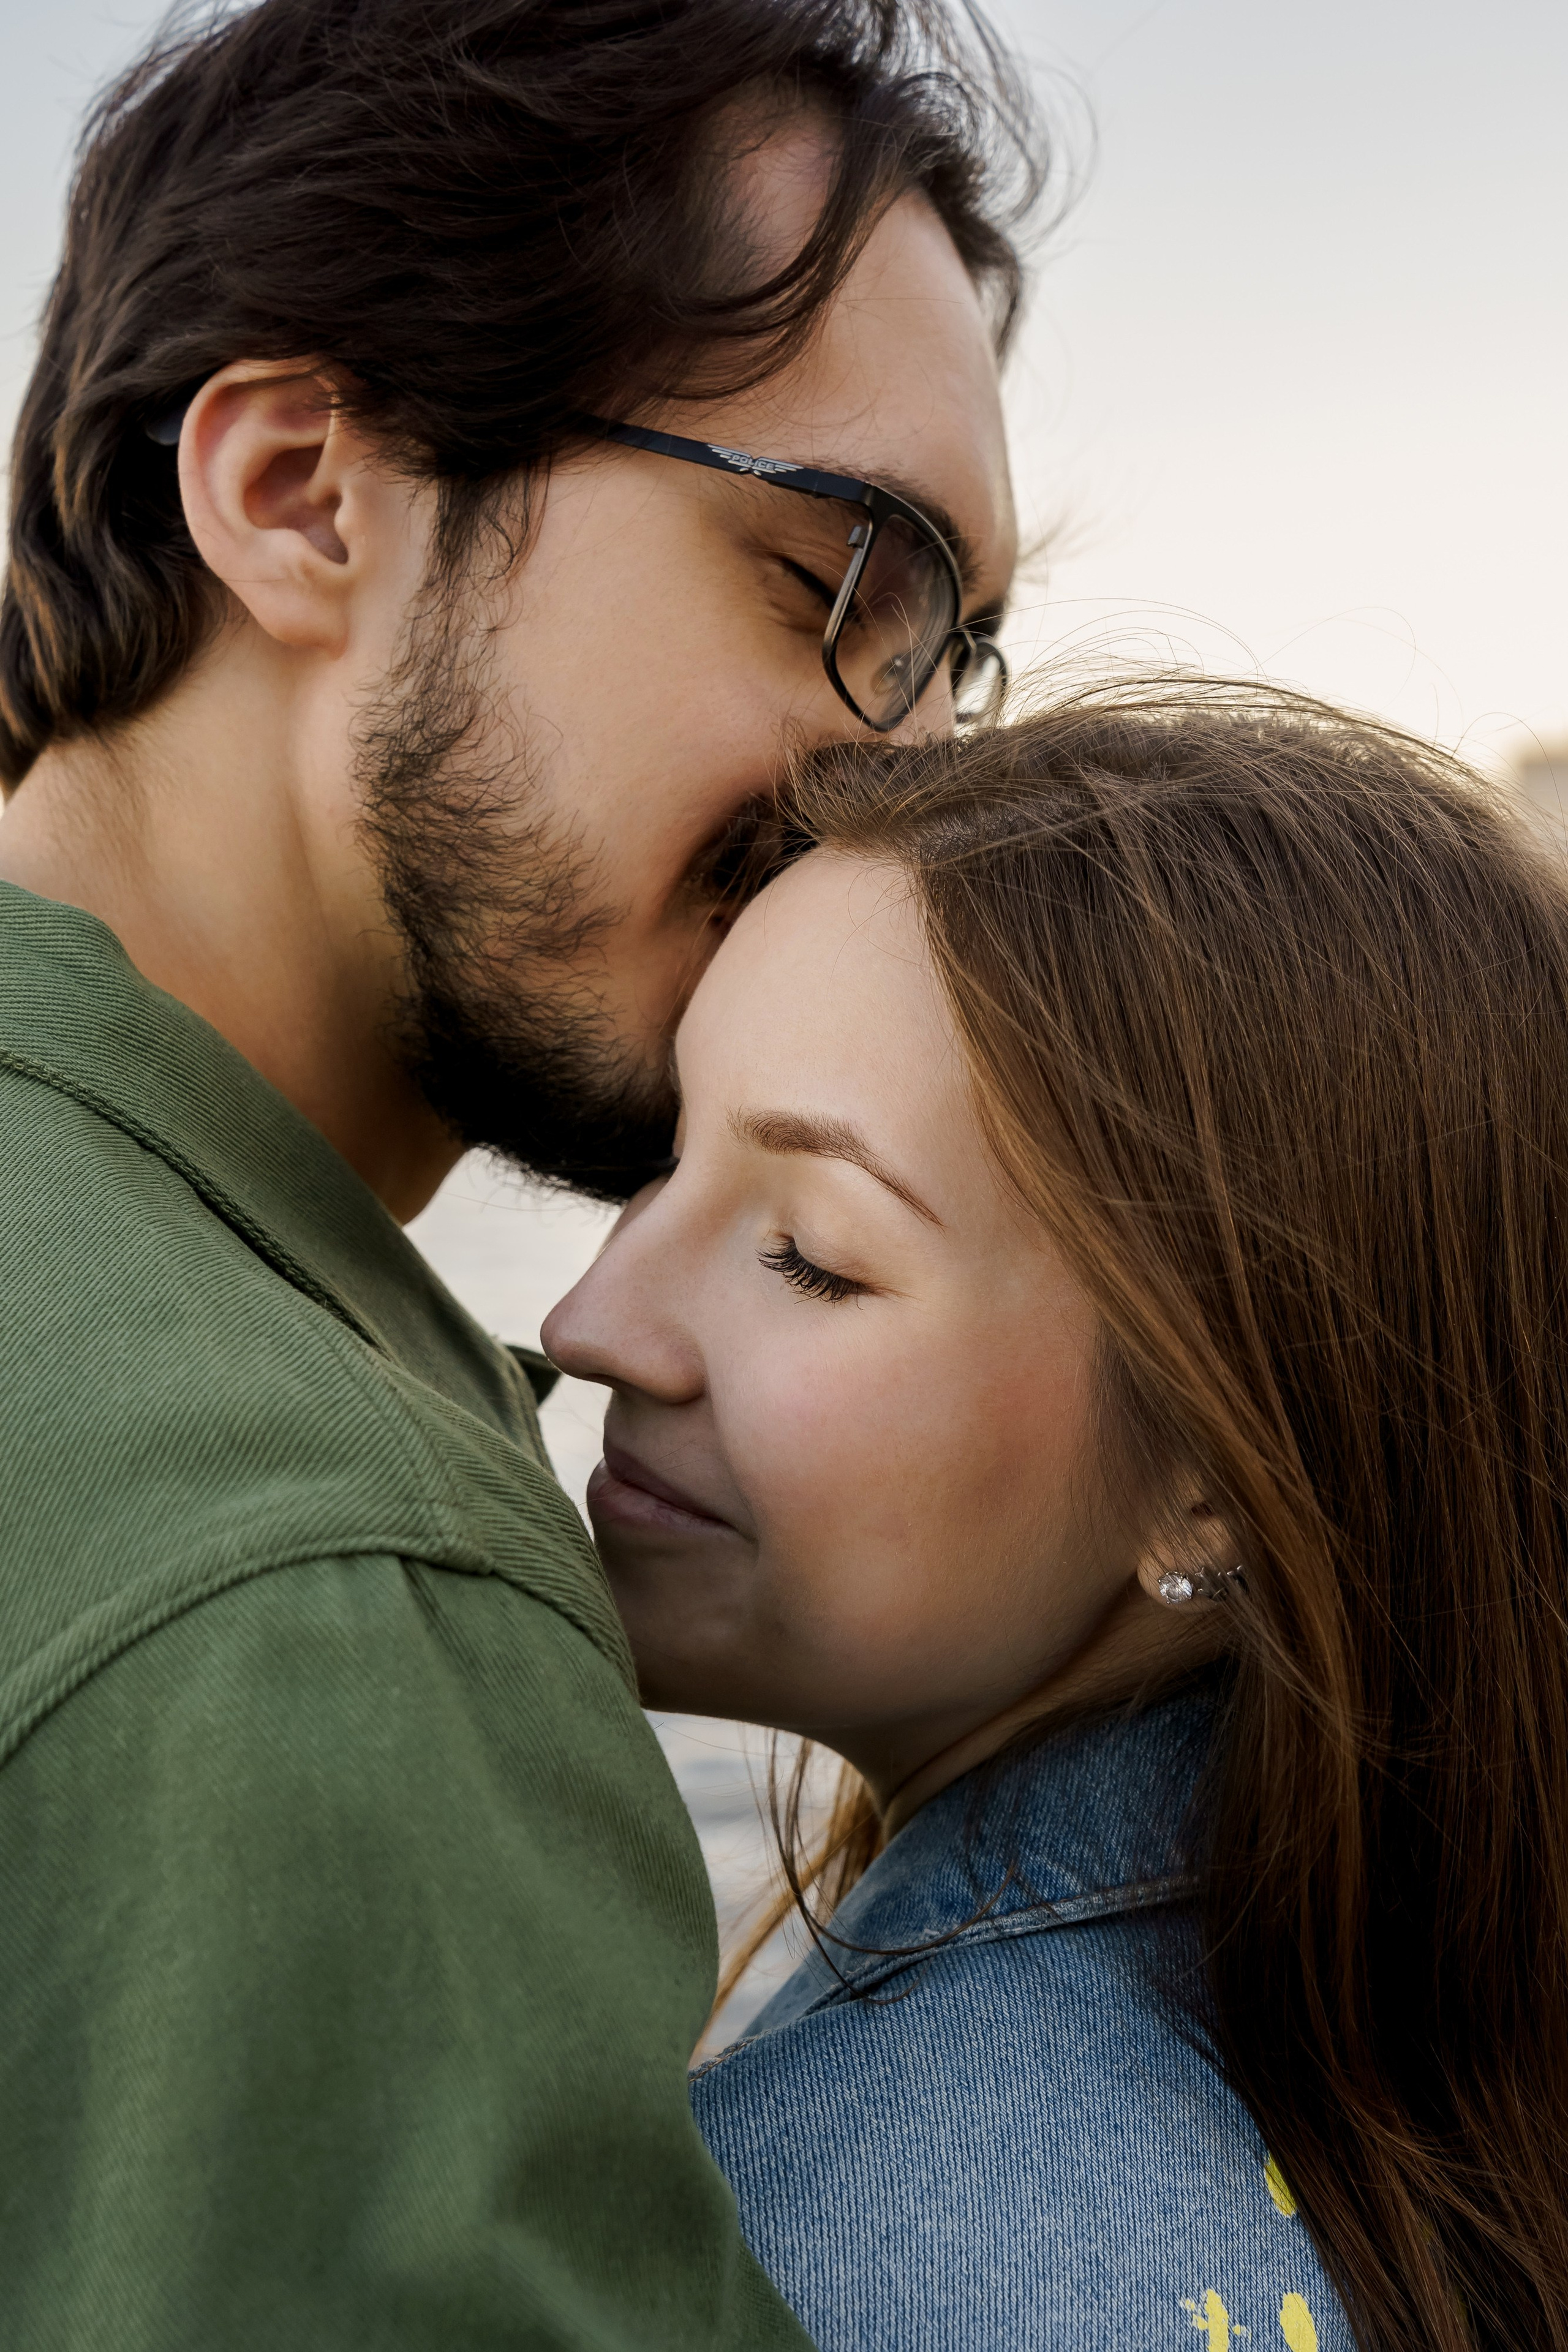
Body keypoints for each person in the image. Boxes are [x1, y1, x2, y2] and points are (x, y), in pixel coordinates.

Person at [0, 0, 1035, 2339]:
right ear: (295, 493)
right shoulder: (312, 1593)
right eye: (837, 585)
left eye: (962, 654)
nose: (915, 775)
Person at [545, 684, 1568, 2351]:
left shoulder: (840, 2258)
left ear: (1220, 1477)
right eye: (657, 1165)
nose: (594, 1316)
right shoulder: (1417, 2074)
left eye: (812, 1251)